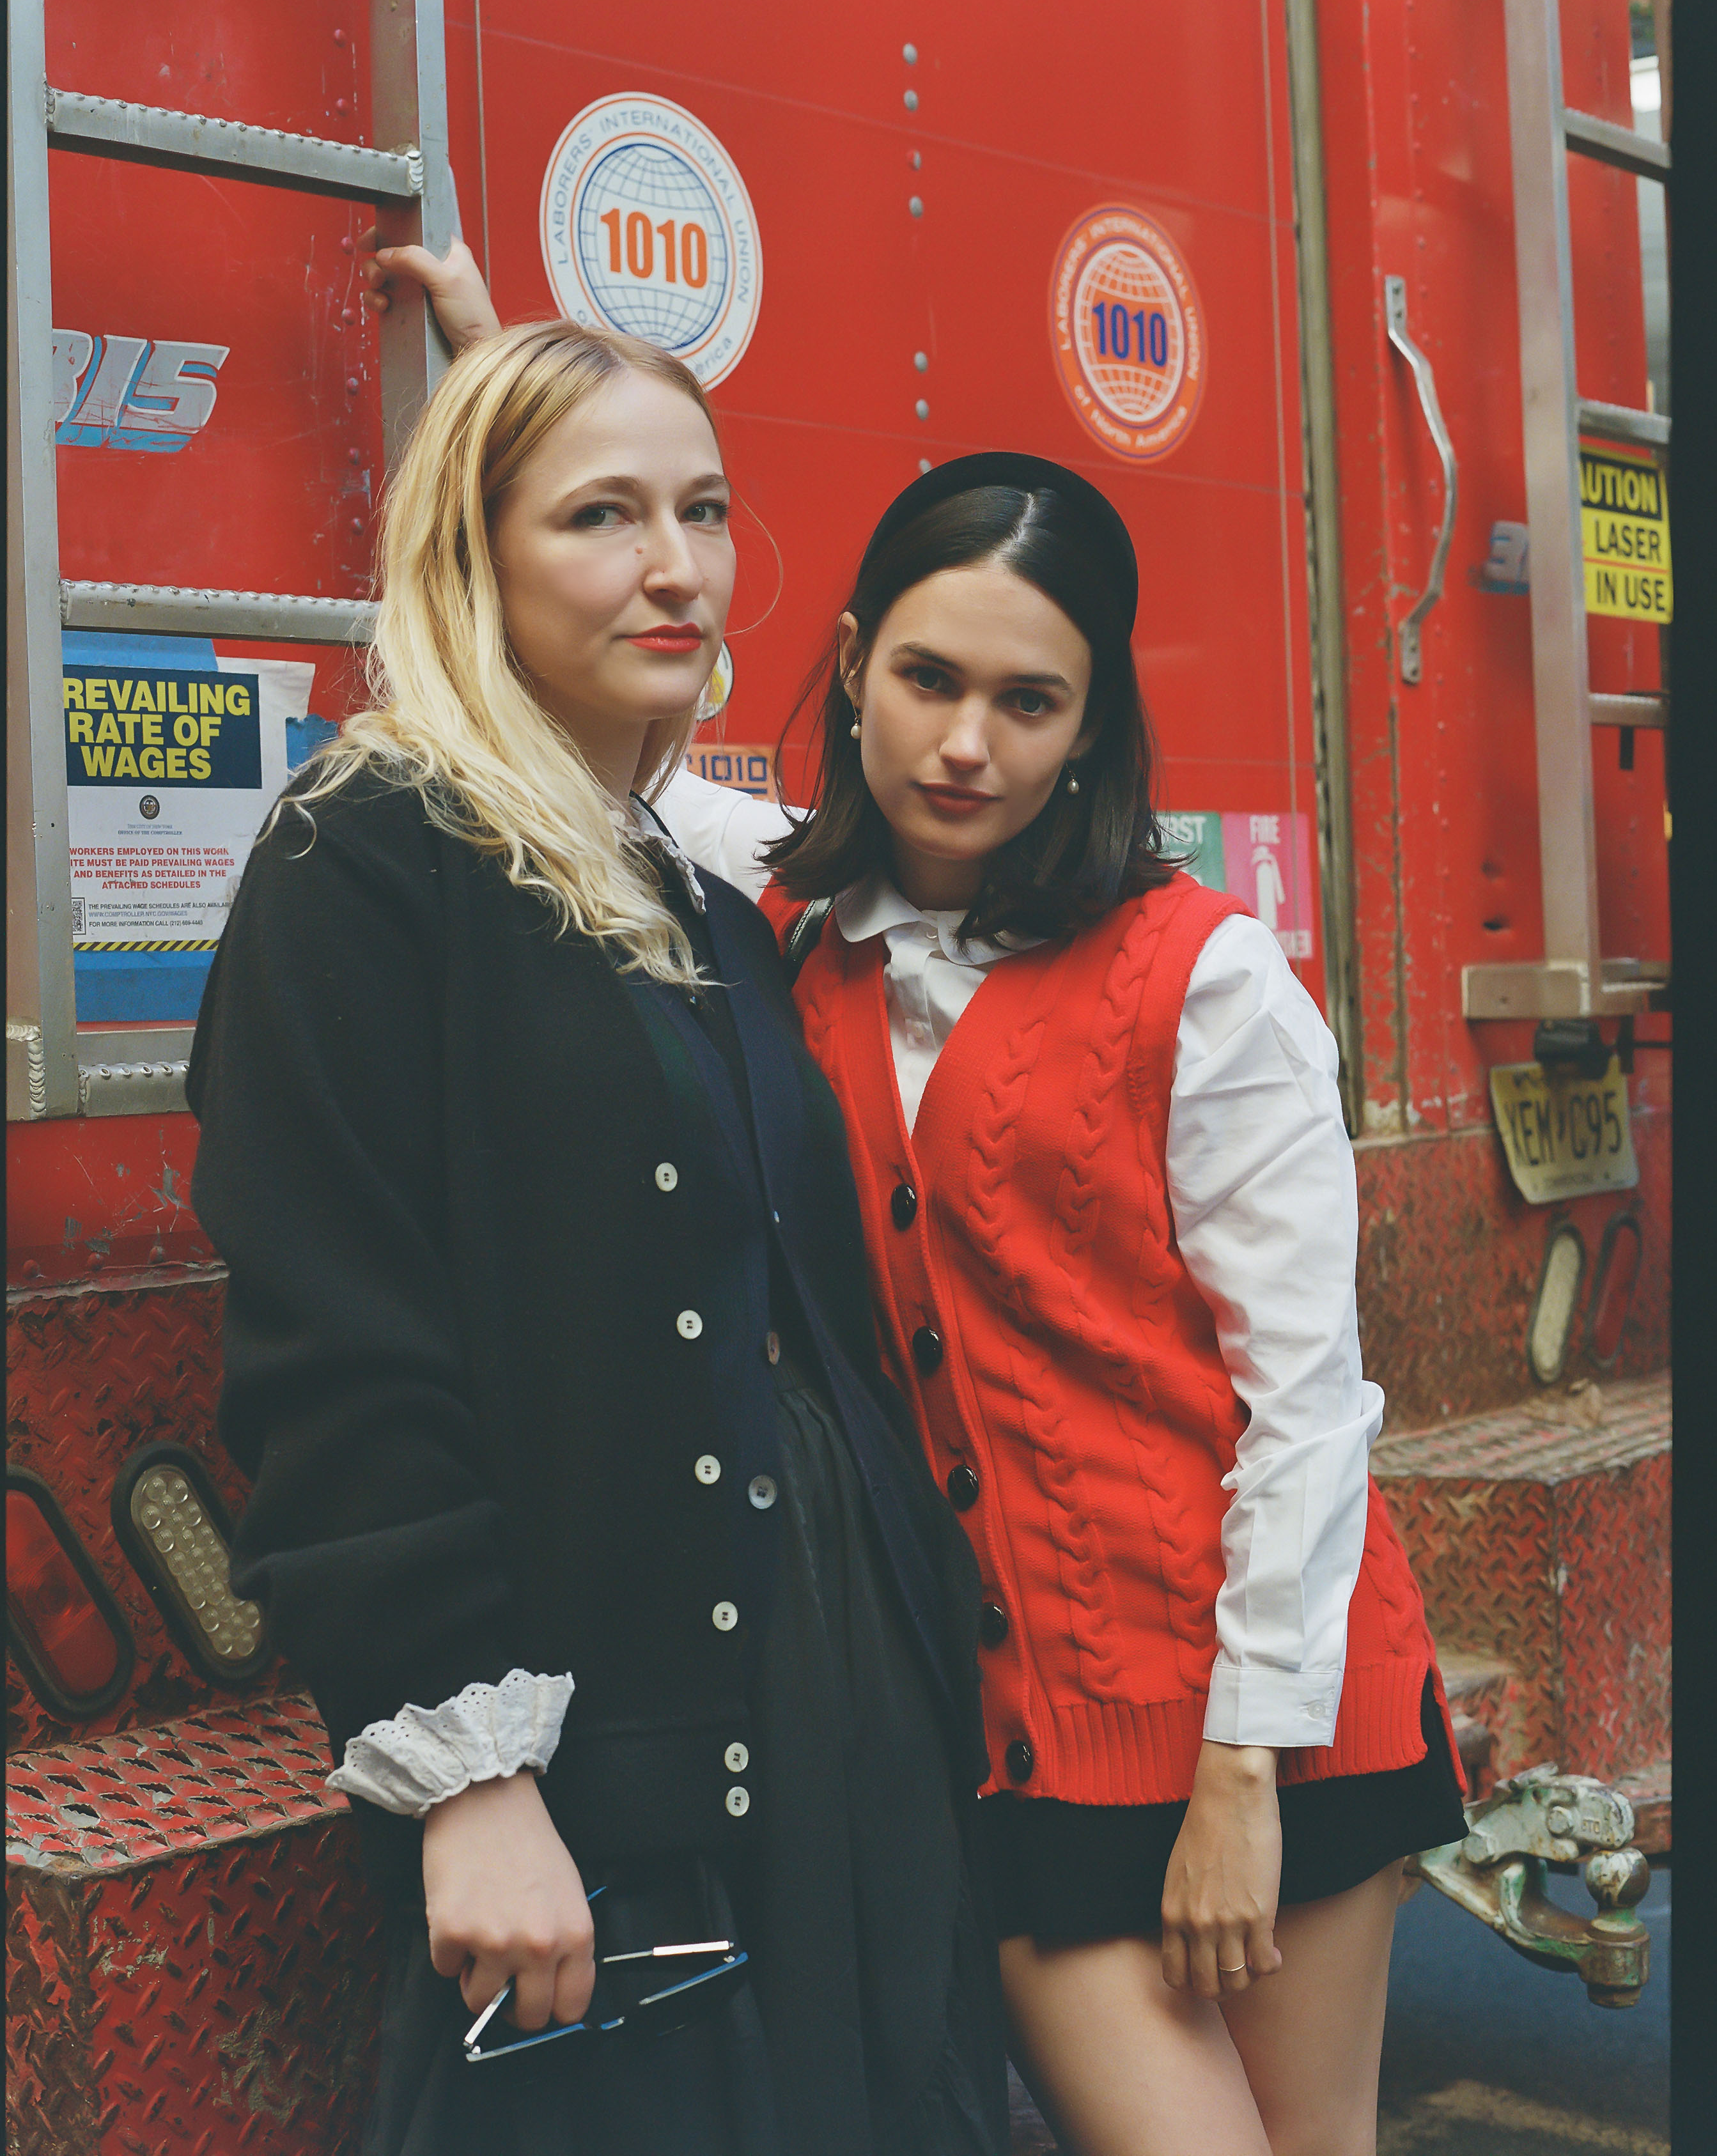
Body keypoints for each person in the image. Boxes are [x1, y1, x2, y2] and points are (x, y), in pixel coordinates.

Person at [376, 244, 1469, 2155]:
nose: (971, 745)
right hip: (1027, 1735)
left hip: (1276, 1715)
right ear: (857, 660)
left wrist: (1244, 1769)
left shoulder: (1207, 976)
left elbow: (1310, 1403)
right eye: (930, 679)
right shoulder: (780, 914)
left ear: (1092, 722)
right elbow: (597, 686)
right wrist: (500, 388)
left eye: (1033, 703)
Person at [186, 314, 1009, 2156]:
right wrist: (467, 1774)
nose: (675, 565)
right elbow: (339, 1347)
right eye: (602, 516)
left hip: (835, 1689)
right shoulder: (367, 848)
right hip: (597, 1733)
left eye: (704, 509)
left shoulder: (675, 881)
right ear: (475, 558)